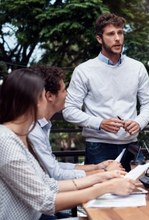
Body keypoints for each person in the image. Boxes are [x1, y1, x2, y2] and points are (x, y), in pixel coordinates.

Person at [0, 68, 136, 220]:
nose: (46, 99)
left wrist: (102, 177)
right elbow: (46, 201)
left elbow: (49, 184)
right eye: (42, 96)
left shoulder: (18, 136)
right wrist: (105, 187)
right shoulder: (6, 141)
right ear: (32, 101)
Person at [63, 13, 149, 171]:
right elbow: (69, 110)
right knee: (99, 194)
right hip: (98, 147)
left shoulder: (137, 67)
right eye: (111, 34)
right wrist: (99, 123)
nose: (118, 38)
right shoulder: (84, 70)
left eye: (120, 32)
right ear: (99, 39)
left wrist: (139, 123)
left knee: (138, 192)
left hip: (131, 146)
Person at [28, 65, 124, 180]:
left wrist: (96, 167)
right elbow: (55, 175)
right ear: (49, 96)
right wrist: (104, 172)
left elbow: (53, 167)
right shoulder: (33, 130)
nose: (67, 94)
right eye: (64, 90)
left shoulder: (42, 126)